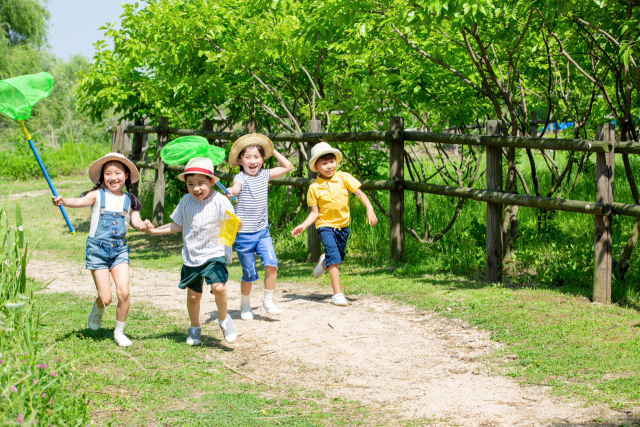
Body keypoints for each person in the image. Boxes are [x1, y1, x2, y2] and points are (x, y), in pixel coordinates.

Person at [51, 153, 153, 347]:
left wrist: (143, 226)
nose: (113, 177)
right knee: (106, 298)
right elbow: (79, 202)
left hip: (119, 251)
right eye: (108, 173)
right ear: (102, 177)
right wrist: (63, 201)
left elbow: (136, 221)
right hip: (97, 251)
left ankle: (119, 332)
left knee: (124, 293)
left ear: (126, 176)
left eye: (117, 173)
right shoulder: (97, 195)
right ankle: (98, 308)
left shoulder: (130, 200)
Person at [146, 157, 241, 344]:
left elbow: (233, 223)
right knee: (193, 295)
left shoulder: (220, 201)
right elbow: (177, 224)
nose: (195, 188)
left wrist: (237, 224)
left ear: (212, 182)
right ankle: (195, 327)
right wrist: (155, 231)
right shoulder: (185, 201)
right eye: (190, 184)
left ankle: (224, 320)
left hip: (215, 253)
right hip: (192, 255)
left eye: (201, 183)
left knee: (219, 287)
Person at [291, 143, 378, 306]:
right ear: (316, 166)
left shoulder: (344, 177)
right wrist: (303, 225)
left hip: (343, 226)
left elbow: (359, 193)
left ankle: (324, 263)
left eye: (331, 161)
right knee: (335, 258)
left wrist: (370, 209)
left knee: (337, 257)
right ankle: (337, 294)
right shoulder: (314, 187)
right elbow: (314, 213)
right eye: (324, 163)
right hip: (325, 226)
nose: (329, 166)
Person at [226, 134, 293, 320]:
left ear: (263, 159)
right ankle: (245, 305)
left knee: (272, 264)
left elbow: (288, 166)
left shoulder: (265, 174)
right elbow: (236, 189)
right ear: (240, 160)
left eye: (257, 157)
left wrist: (273, 151)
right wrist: (231, 192)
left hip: (262, 232)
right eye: (248, 157)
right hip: (243, 235)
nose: (253, 161)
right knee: (249, 274)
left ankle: (267, 302)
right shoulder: (240, 177)